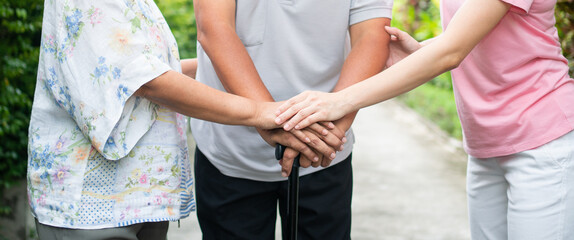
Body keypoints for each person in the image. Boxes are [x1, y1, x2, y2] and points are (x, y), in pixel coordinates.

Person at [275, 0, 574, 239]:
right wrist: (422, 50)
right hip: (487, 147)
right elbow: (471, 33)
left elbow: (452, 52)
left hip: (541, 143)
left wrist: (340, 101)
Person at [27, 0, 317, 239]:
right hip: (92, 204)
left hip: (138, 200)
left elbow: (152, 69)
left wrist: (221, 72)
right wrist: (261, 112)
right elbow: (148, 80)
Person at [190, 0, 393, 239]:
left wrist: (330, 130)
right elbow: (214, 28)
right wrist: (266, 116)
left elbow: (372, 35)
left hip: (325, 153)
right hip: (230, 149)